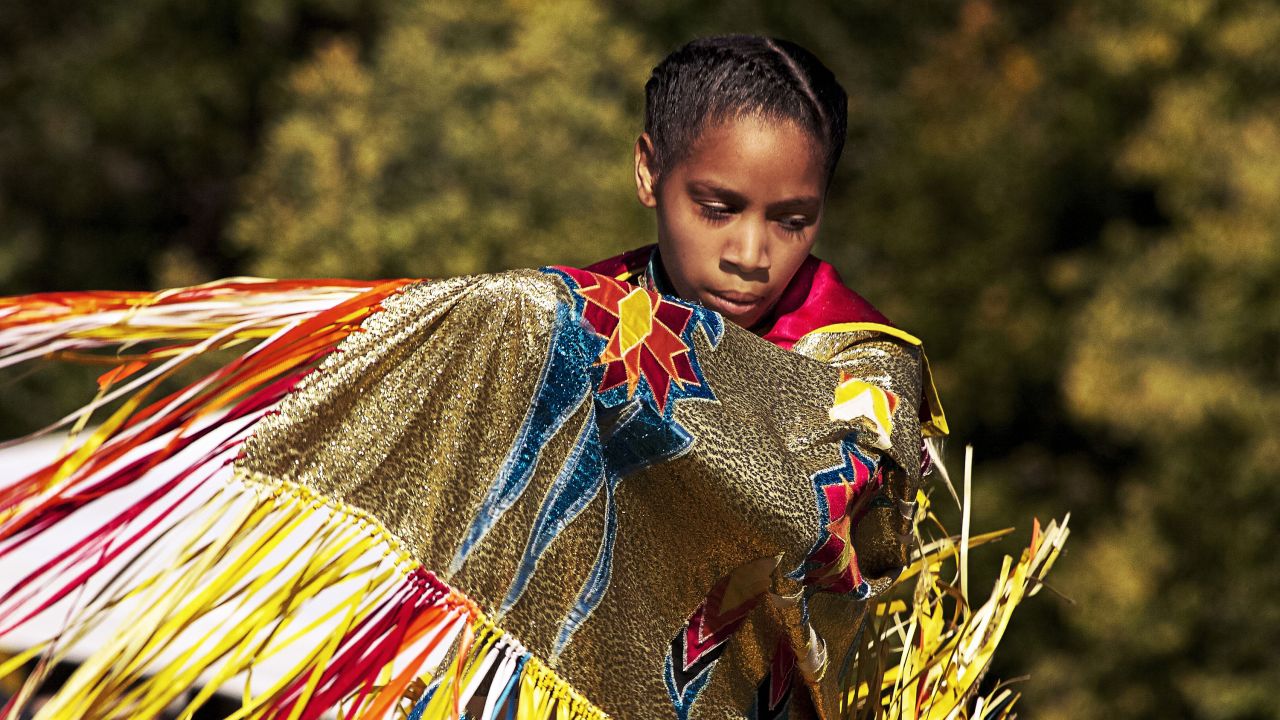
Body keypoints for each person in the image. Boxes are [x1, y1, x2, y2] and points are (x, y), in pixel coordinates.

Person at [0, 35, 947, 720]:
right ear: (648, 171)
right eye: (718, 206)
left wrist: (591, 355)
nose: (751, 252)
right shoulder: (574, 310)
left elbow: (821, 521)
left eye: (793, 219)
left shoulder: (863, 360)